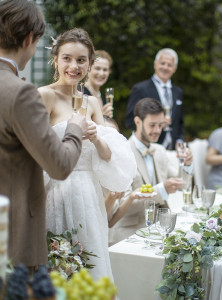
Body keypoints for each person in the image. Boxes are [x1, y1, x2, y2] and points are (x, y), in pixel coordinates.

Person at [38, 28, 136, 280]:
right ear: (56, 59)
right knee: (60, 266)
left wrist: (95, 136)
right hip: (56, 191)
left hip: (89, 196)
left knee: (92, 264)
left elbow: (106, 156)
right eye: (67, 58)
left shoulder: (91, 103)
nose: (74, 66)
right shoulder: (44, 96)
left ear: (90, 64)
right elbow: (37, 150)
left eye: (81, 60)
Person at [0, 0, 87, 269]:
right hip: (13, 233)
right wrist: (75, 129)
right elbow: (59, 165)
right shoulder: (20, 92)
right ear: (29, 38)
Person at [110, 98, 193, 244]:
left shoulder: (159, 151)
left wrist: (187, 166)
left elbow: (183, 185)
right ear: (137, 122)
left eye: (160, 125)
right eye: (152, 125)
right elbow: (124, 207)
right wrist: (161, 190)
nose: (157, 131)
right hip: (131, 234)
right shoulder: (123, 153)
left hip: (161, 229)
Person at [125, 48, 184, 150]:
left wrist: (180, 142)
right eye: (162, 63)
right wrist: (156, 124)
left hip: (173, 151)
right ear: (155, 64)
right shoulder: (140, 89)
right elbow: (130, 121)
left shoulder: (178, 92)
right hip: (149, 148)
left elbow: (180, 123)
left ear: (174, 68)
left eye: (169, 65)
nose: (165, 67)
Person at [84, 50, 113, 118]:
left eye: (105, 70)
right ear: (88, 68)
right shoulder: (82, 93)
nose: (101, 73)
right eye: (97, 68)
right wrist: (103, 117)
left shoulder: (102, 98)